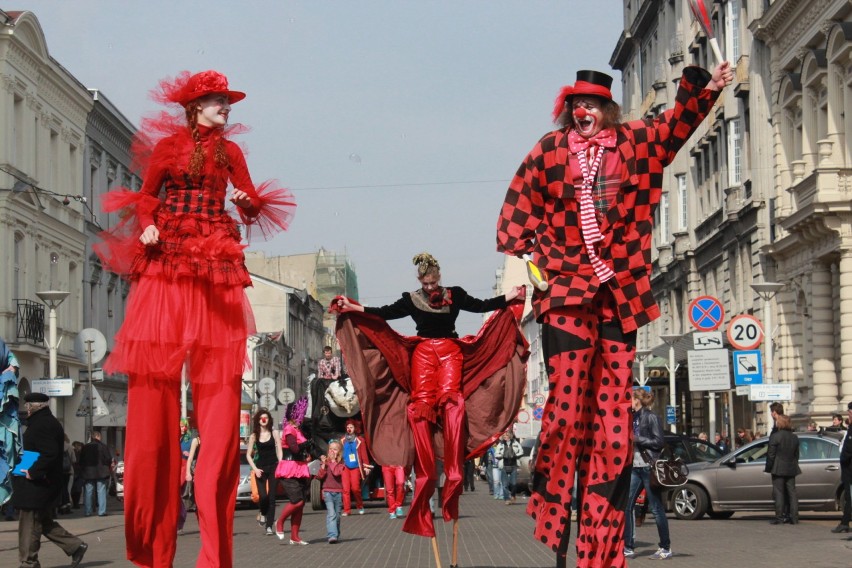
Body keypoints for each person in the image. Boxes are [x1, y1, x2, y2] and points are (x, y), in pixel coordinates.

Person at [495, 58, 732, 567]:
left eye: (594, 104)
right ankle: (553, 511)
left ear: (607, 109)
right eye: (577, 103)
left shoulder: (633, 142)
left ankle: (601, 547)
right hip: (566, 297)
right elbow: (517, 207)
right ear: (568, 109)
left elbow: (675, 127)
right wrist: (536, 254)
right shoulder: (550, 150)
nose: (585, 111)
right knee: (564, 412)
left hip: (618, 296)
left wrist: (706, 86)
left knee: (612, 425)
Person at [94, 69, 295, 568]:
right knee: (153, 406)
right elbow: (145, 196)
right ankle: (153, 548)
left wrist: (249, 204)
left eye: (227, 101)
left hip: (215, 269)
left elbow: (248, 200)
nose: (226, 107)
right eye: (217, 100)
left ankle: (213, 554)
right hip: (170, 263)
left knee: (222, 410)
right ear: (195, 105)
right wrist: (144, 226)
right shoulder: (167, 148)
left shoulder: (232, 153)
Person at [334, 252, 527, 566]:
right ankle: (423, 481)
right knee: (421, 406)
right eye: (426, 282)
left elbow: (482, 305)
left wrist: (511, 296)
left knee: (453, 401)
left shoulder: (456, 295)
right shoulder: (411, 300)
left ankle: (453, 475)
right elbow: (382, 312)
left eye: (433, 280)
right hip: (422, 353)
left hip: (451, 352)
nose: (430, 285)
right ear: (420, 281)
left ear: (439, 276)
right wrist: (352, 306)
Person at [12, 392, 87, 568]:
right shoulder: (43, 422)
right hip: (39, 484)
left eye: (28, 406)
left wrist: (33, 471)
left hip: (37, 485)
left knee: (29, 525)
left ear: (35, 406)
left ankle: (29, 562)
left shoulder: (43, 424)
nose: (26, 409)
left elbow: (50, 453)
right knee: (43, 522)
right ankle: (75, 546)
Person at [623, 389, 671, 560]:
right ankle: (628, 547)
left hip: (648, 467)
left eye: (629, 398)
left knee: (657, 509)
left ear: (637, 400)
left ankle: (665, 547)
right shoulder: (631, 417)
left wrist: (637, 439)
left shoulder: (650, 417)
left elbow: (659, 442)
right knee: (627, 506)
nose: (627, 401)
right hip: (634, 468)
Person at [274, 398, 310, 545]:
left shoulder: (297, 429)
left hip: (300, 467)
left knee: (301, 504)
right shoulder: (289, 428)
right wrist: (306, 444)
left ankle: (295, 536)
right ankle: (280, 521)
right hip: (289, 468)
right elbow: (294, 448)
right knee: (297, 501)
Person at [246, 408, 282, 535]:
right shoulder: (254, 436)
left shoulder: (275, 433)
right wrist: (255, 469)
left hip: (273, 467)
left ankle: (269, 526)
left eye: (266, 417)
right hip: (260, 468)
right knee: (263, 496)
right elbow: (248, 455)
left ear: (269, 420)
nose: (264, 419)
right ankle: (262, 512)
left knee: (272, 498)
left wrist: (280, 463)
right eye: (262, 418)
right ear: (258, 420)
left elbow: (279, 449)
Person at [765, 414, 800, 525]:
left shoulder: (775, 436)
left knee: (779, 493)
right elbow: (797, 455)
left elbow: (770, 455)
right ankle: (794, 518)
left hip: (778, 468)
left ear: (779, 423)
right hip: (791, 467)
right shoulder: (794, 437)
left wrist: (769, 467)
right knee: (792, 493)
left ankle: (779, 518)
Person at [340, 419, 370, 516]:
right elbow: (338, 453)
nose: (349, 429)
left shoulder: (360, 440)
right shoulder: (342, 440)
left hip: (356, 467)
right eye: (348, 427)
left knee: (355, 488)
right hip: (345, 466)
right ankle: (347, 510)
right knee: (345, 489)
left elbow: (364, 454)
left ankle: (360, 505)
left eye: (351, 427)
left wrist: (366, 466)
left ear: (355, 429)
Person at [80, 430, 113, 517]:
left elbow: (81, 460)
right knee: (101, 491)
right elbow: (108, 458)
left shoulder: (85, 447)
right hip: (101, 472)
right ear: (98, 436)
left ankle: (88, 511)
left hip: (88, 472)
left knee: (88, 491)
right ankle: (101, 511)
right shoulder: (103, 446)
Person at [318, 440, 344, 543]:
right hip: (327, 491)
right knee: (331, 514)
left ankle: (336, 533)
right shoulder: (326, 462)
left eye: (335, 449)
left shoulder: (341, 463)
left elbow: (337, 473)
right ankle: (332, 535)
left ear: (339, 452)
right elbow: (319, 476)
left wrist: (333, 462)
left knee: (337, 515)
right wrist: (323, 465)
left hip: (338, 492)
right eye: (330, 449)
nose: (332, 451)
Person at [832, 401, 852, 534]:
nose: (848, 414)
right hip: (848, 469)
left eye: (849, 412)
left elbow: (849, 448)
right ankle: (845, 522)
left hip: (850, 468)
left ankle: (845, 523)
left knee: (850, 497)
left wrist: (843, 458)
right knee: (849, 498)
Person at [494, 431, 523, 505]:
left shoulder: (515, 443)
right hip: (504, 465)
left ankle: (513, 495)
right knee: (504, 484)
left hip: (513, 465)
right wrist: (500, 456)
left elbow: (521, 452)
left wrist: (516, 456)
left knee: (513, 483)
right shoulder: (500, 444)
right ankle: (507, 499)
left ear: (510, 436)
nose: (505, 436)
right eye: (504, 435)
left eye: (506, 435)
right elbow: (496, 453)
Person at [177, 418, 194, 535]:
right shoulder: (175, 438)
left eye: (184, 426)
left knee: (180, 496)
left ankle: (180, 522)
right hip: (174, 467)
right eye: (180, 426)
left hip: (184, 468)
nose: (182, 428)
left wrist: (188, 455)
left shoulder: (190, 440)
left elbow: (195, 454)